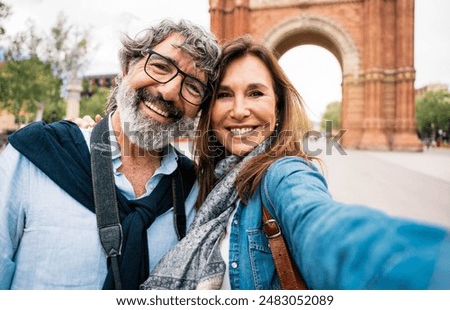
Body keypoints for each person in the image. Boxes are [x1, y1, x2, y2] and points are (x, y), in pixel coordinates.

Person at [140, 35, 450, 290]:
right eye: (223, 94)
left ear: (278, 106)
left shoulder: (284, 173)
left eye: (255, 93)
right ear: (210, 109)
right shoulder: (208, 182)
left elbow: (322, 224)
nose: (238, 110)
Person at [0, 19, 221, 289]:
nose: (169, 91)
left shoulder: (194, 191)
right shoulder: (37, 157)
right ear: (128, 66)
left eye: (193, 87)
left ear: (200, 109)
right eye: (161, 66)